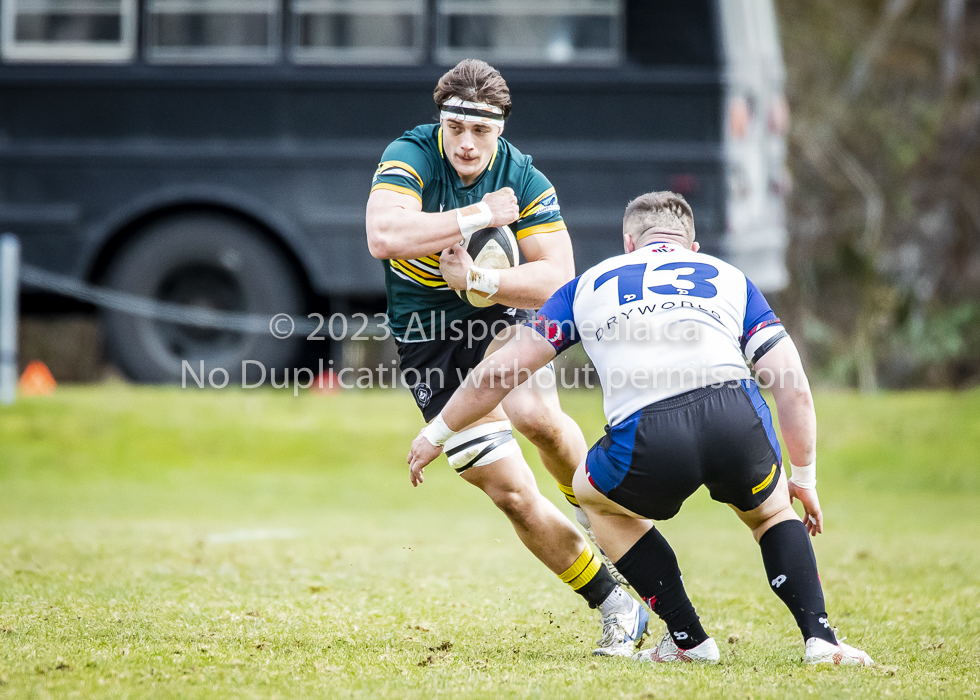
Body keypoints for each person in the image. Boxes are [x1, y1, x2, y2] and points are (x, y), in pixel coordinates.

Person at [407, 191, 875, 667]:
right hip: (733, 417)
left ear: (628, 243)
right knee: (773, 514)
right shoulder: (730, 278)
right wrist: (806, 477)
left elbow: (500, 372)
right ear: (693, 248)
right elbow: (791, 386)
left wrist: (436, 433)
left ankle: (688, 639)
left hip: (650, 435)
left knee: (590, 496)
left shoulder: (588, 285)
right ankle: (822, 641)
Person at [365, 59, 645, 656]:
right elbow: (383, 237)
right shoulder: (410, 155)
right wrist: (478, 216)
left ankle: (601, 514)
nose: (466, 143)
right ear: (440, 123)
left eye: (481, 131)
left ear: (500, 130)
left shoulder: (525, 176)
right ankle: (616, 604)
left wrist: (482, 284)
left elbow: (560, 279)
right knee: (512, 493)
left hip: (498, 315)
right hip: (427, 335)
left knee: (537, 417)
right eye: (455, 128)